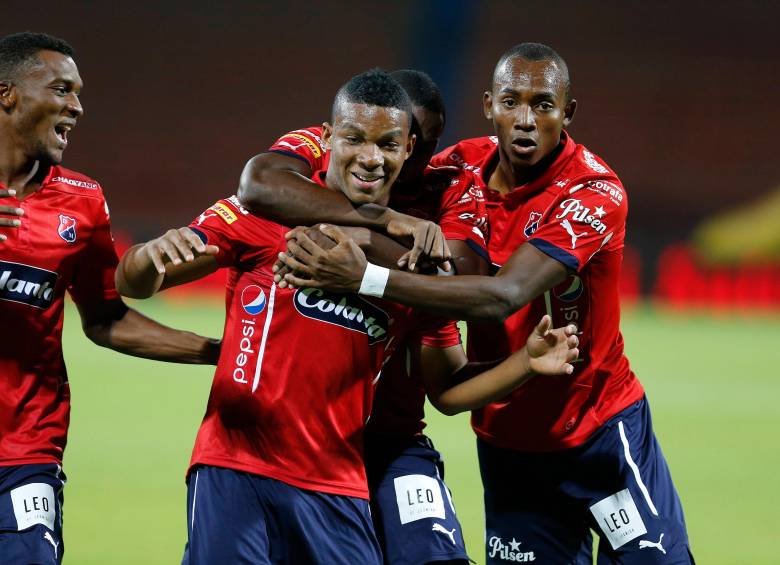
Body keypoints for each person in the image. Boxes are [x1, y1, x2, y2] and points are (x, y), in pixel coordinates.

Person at [116, 69, 579, 565]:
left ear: (408, 150)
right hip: (236, 467)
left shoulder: (413, 266)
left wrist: (524, 363)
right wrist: (148, 256)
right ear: (328, 138)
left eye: (387, 145)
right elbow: (135, 282)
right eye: (354, 139)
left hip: (339, 484)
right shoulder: (269, 214)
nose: (370, 157)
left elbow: (447, 387)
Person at [278, 44, 694, 563]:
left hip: (598, 431)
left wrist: (366, 276)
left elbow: (505, 295)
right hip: (508, 443)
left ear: (568, 112)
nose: (525, 120)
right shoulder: (457, 169)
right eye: (511, 102)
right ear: (488, 105)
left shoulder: (592, 193)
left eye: (543, 105)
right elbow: (309, 178)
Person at [238, 69, 489, 564]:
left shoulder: (451, 186)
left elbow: (461, 283)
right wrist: (384, 222)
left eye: (421, 145)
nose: (407, 160)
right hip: (308, 442)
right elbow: (258, 186)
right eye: (371, 139)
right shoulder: (329, 141)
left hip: (394, 435)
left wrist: (363, 261)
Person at [0, 32, 221, 564]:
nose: (77, 107)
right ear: (7, 94)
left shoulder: (81, 202)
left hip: (24, 451)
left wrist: (224, 350)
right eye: (62, 89)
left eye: (78, 94)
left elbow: (106, 319)